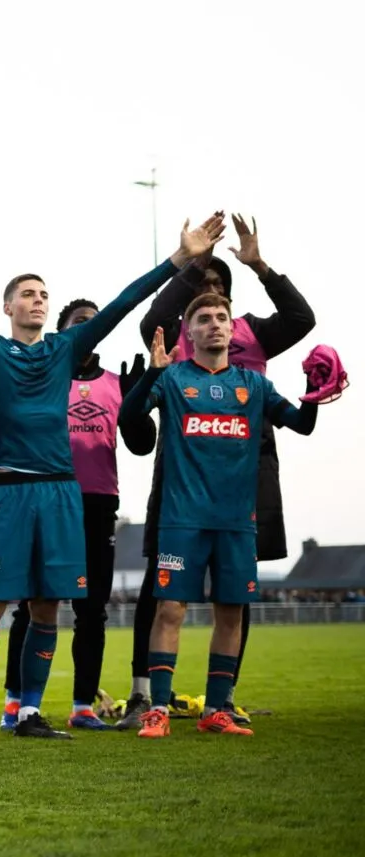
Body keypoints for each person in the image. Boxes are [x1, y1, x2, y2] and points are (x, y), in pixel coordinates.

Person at [0, 212, 223, 742]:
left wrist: (180, 258)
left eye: (43, 295)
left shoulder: (64, 348)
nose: (38, 300)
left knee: (47, 606)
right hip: (10, 491)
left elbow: (123, 303)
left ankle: (30, 713)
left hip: (60, 493)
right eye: (27, 294)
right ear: (8, 307)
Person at [118, 215, 317, 728]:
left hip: (241, 501)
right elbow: (132, 413)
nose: (213, 320)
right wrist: (190, 262)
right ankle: (155, 705)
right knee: (169, 605)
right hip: (182, 502)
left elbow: (301, 412)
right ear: (188, 328)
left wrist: (315, 395)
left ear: (232, 321)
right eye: (202, 314)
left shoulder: (254, 365)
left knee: (232, 607)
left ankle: (219, 706)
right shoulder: (172, 367)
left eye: (220, 312)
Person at [1, 300, 157, 730]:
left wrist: (137, 399)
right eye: (79, 323)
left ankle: (82, 707)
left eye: (94, 322)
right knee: (31, 604)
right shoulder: (44, 375)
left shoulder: (117, 383)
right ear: (63, 331)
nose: (89, 328)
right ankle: (14, 703)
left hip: (97, 503)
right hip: (48, 498)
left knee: (93, 612)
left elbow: (142, 444)